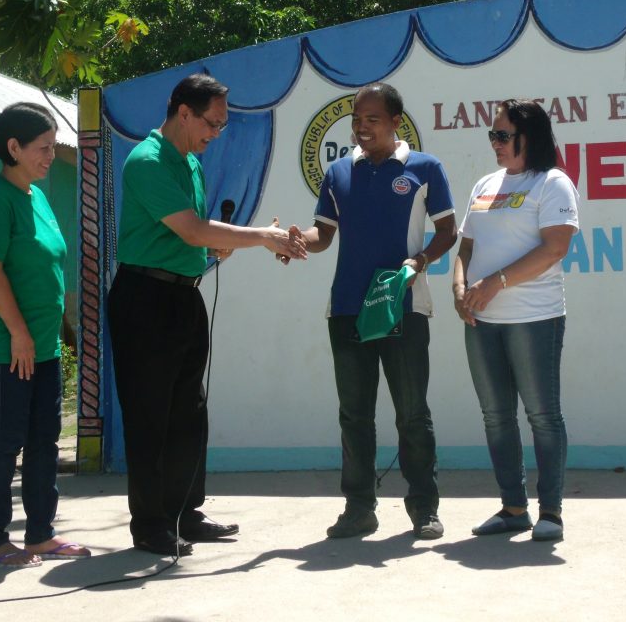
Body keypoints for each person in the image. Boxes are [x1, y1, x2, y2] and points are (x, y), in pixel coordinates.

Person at [107, 73, 306, 557]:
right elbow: (193, 230)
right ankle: (150, 523)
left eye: (220, 126)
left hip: (183, 296)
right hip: (144, 300)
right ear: (183, 113)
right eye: (212, 124)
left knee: (189, 410)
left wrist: (220, 251)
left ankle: (184, 511)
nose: (216, 134)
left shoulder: (190, 163)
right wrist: (259, 236)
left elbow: (190, 241)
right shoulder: (148, 160)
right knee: (150, 413)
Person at [289, 82, 457, 540]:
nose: (362, 128)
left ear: (396, 122)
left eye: (372, 119)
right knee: (354, 415)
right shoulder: (339, 172)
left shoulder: (424, 168)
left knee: (411, 413)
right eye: (356, 121)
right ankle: (358, 508)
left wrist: (419, 261)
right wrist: (296, 241)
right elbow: (324, 235)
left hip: (403, 306)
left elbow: (448, 231)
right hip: (347, 309)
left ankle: (424, 508)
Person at [452, 98, 580, 542]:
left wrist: (495, 283)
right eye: (493, 135)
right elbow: (465, 247)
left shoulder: (553, 184)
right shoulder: (485, 184)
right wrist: (459, 287)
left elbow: (554, 249)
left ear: (531, 137)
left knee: (543, 415)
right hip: (481, 321)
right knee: (495, 416)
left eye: (504, 136)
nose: (496, 144)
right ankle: (512, 508)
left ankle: (551, 512)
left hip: (534, 319)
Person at [0, 102, 91, 568]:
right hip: (9, 347)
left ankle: (41, 535)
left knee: (45, 441)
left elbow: (45, 269)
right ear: (14, 147)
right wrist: (19, 333)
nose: (50, 155)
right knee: (6, 441)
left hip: (42, 344)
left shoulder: (36, 196)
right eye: (43, 148)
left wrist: (56, 332)